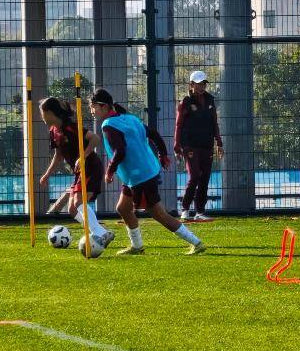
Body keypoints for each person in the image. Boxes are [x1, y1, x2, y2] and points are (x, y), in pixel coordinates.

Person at [89, 88, 205, 256]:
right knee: (123, 208)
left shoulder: (108, 125)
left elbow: (120, 151)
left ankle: (196, 243)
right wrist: (162, 154)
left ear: (103, 106)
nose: (91, 110)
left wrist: (110, 171)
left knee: (159, 214)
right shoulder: (129, 118)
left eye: (93, 106)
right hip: (141, 173)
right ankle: (137, 247)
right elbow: (153, 134)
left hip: (140, 176)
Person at [38, 97, 113, 246]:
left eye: (42, 113)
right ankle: (101, 232)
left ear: (50, 113)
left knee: (79, 202)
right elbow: (58, 156)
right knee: (72, 209)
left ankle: (100, 234)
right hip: (79, 172)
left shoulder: (71, 127)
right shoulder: (53, 132)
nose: (41, 117)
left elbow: (95, 138)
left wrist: (83, 156)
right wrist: (47, 174)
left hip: (90, 167)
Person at [174, 70, 224, 222]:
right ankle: (185, 208)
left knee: (205, 177)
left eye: (203, 83)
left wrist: (219, 143)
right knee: (195, 176)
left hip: (206, 144)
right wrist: (177, 145)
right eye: (198, 84)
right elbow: (179, 125)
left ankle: (200, 211)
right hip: (190, 145)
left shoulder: (210, 100)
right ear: (191, 84)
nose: (202, 86)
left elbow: (214, 123)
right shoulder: (186, 102)